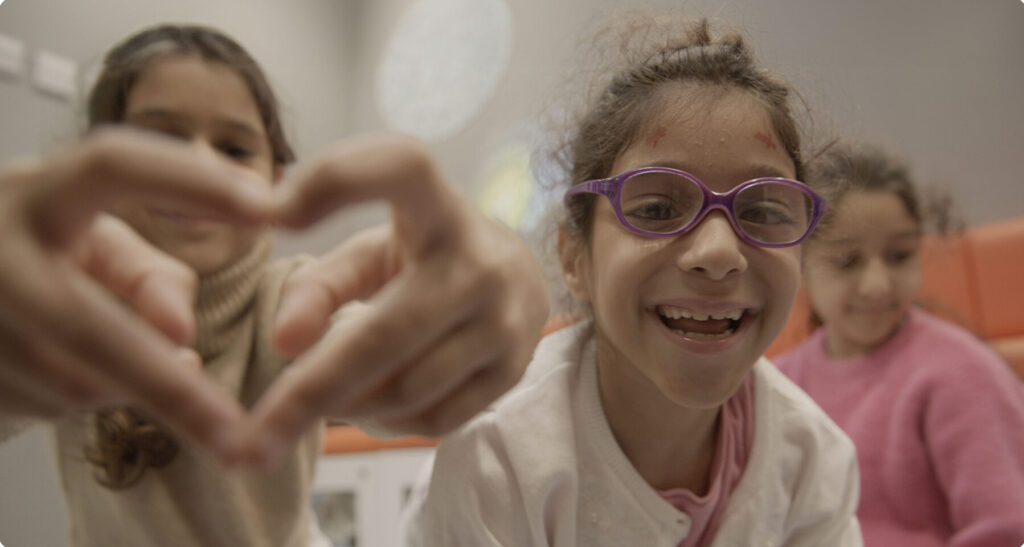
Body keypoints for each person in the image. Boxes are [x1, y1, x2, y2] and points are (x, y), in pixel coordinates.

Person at [0, 24, 549, 546]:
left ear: (275, 178)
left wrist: (492, 294)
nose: (200, 167)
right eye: (161, 141)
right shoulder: (65, 305)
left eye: (234, 149)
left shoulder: (293, 299)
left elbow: (370, 360)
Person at [411, 15, 862, 546]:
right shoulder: (498, 457)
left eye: (762, 211)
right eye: (657, 208)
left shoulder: (815, 463)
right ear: (575, 257)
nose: (719, 253)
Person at [774, 141, 1024, 547]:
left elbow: (1006, 528)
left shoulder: (962, 373)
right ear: (798, 261)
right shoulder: (778, 383)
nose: (877, 284)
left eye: (899, 255)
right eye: (847, 260)